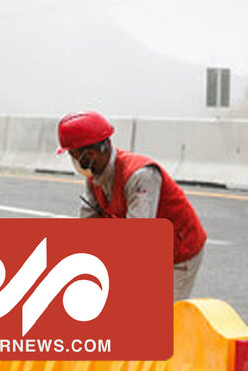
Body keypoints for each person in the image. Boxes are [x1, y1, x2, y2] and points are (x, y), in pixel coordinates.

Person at [57, 111, 206, 301]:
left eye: (75, 155)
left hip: (178, 252)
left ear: (92, 153)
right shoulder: (93, 178)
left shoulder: (140, 175)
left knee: (162, 318)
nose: (75, 162)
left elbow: (136, 241)